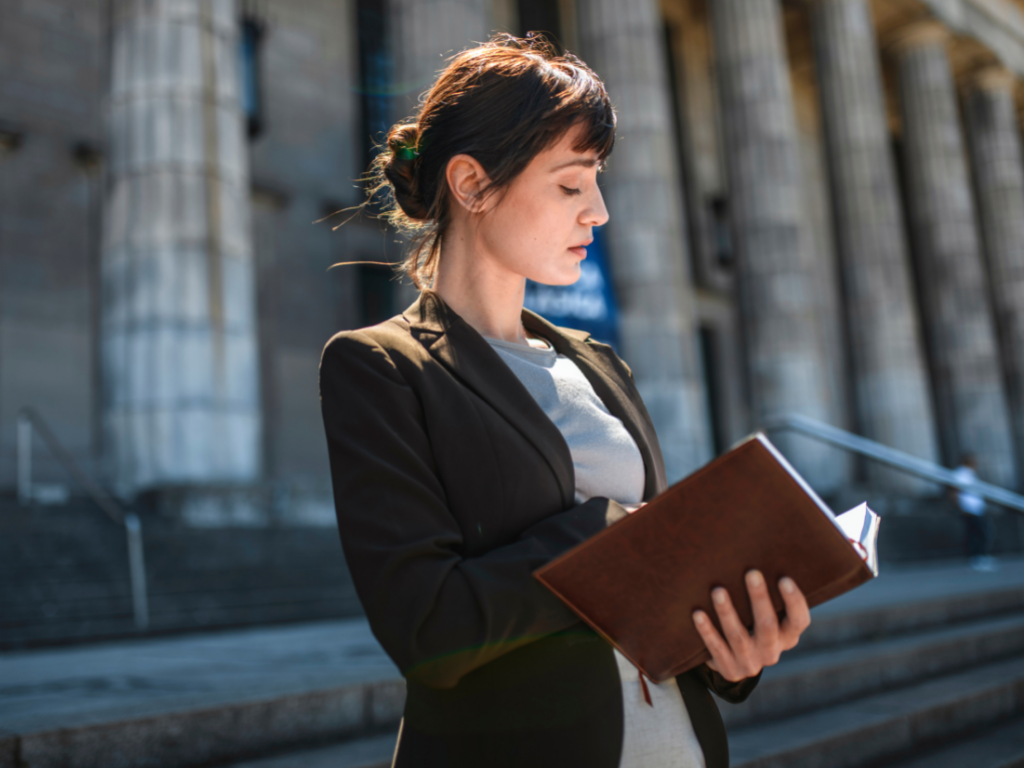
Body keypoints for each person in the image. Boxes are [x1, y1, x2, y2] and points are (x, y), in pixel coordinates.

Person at [319, 34, 811, 768]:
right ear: (472, 184)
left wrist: (728, 651)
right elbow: (428, 632)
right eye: (572, 184)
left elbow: (650, 599)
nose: (600, 213)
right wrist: (614, 534)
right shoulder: (381, 366)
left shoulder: (600, 364)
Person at [951, 453, 997, 571]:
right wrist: (961, 508)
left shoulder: (970, 473)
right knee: (977, 533)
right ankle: (976, 557)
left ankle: (980, 556)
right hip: (969, 509)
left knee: (981, 532)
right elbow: (954, 492)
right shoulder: (960, 473)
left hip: (977, 509)